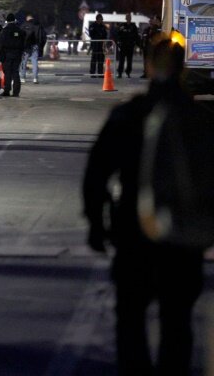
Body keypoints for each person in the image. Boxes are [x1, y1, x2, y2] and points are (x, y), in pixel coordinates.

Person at [83, 39, 212, 375]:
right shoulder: (200, 119)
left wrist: (98, 223)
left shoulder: (128, 114)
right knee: (177, 321)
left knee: (131, 319)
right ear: (184, 67)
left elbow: (96, 174)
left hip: (133, 229)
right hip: (183, 234)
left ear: (148, 66)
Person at [0, 13, 25, 97]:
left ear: (7, 21)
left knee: (7, 72)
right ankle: (16, 91)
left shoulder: (4, 31)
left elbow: (0, 44)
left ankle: (7, 90)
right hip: (17, 54)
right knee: (15, 72)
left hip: (7, 54)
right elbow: (23, 43)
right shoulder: (20, 31)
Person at [19, 14, 45, 84]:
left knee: (23, 62)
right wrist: (41, 46)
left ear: (27, 19)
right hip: (35, 45)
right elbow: (43, 36)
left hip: (25, 47)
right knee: (34, 62)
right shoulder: (38, 25)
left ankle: (23, 78)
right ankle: (35, 78)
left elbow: (20, 36)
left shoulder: (24, 25)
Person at [115, 13, 140, 78]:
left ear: (131, 18)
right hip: (123, 45)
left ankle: (128, 72)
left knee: (129, 61)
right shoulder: (122, 26)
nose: (128, 18)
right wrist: (118, 43)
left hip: (130, 45)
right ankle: (120, 72)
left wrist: (136, 44)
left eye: (129, 17)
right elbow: (118, 34)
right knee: (121, 60)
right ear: (126, 18)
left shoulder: (133, 26)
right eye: (127, 17)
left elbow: (136, 36)